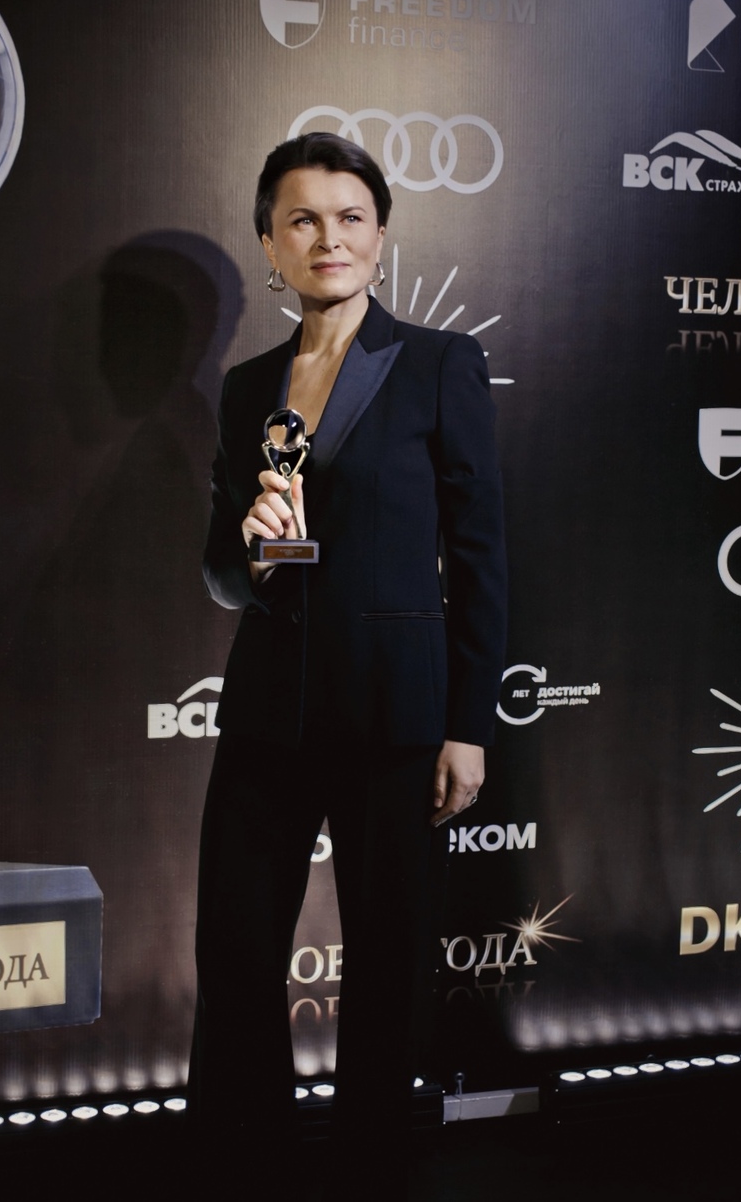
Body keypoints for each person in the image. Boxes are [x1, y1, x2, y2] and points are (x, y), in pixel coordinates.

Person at [190, 133, 507, 1197]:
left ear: (379, 235)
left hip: (395, 714)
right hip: (267, 714)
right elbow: (222, 574)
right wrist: (251, 547)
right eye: (303, 220)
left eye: (350, 217)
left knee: (386, 964)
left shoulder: (439, 364)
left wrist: (467, 724)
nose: (329, 238)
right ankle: (250, 1163)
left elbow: (480, 556)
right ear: (269, 243)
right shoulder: (248, 387)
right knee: (237, 953)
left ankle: (376, 1167)